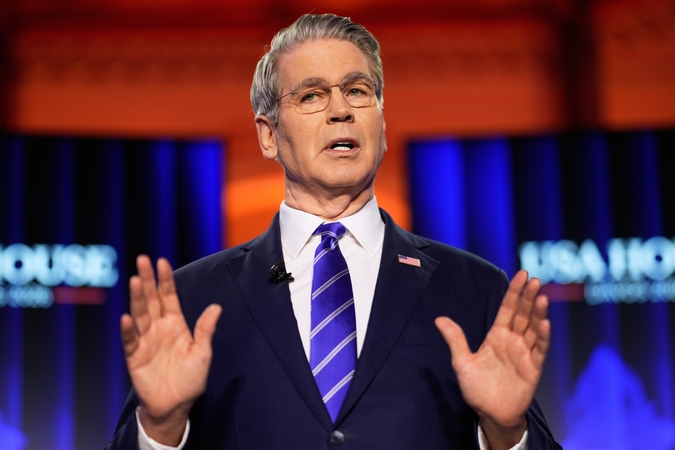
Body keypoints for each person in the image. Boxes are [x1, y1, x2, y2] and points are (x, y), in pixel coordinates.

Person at [106, 13, 561, 450]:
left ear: (382, 123)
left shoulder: (472, 287)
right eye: (311, 96)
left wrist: (507, 433)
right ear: (268, 136)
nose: (341, 110)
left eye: (358, 91)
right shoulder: (195, 297)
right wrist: (159, 428)